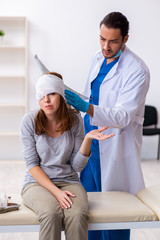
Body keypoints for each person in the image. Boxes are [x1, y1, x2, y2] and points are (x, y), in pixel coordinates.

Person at [65, 11, 150, 240]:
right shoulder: (98, 57)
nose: (106, 46)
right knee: (91, 206)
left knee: (115, 211)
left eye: (113, 41)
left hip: (113, 146)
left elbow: (123, 116)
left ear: (126, 38)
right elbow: (92, 95)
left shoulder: (137, 70)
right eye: (102, 39)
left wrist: (87, 106)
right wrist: (76, 102)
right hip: (91, 142)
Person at [20, 72, 114, 240]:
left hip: (69, 181)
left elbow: (77, 166)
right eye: (41, 96)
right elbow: (32, 165)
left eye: (51, 94)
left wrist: (87, 139)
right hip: (36, 184)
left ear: (61, 95)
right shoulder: (29, 121)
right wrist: (57, 192)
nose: (46, 100)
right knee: (50, 214)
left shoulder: (75, 119)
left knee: (77, 215)